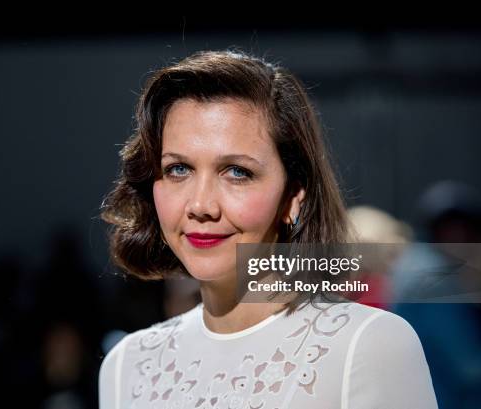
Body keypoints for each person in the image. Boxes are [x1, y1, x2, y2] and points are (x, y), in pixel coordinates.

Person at [98, 50, 437, 408]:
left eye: (237, 172)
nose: (200, 206)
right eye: (178, 169)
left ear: (293, 196)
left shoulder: (369, 346)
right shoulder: (128, 366)